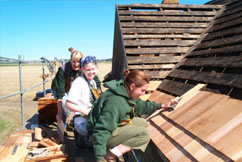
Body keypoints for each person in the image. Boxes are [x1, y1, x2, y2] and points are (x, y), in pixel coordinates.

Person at [87, 70, 177, 162]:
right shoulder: (115, 102)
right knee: (144, 134)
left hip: (111, 127)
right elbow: (101, 130)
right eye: (142, 90)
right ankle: (110, 156)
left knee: (142, 122)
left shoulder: (126, 92)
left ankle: (119, 150)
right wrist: (100, 158)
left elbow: (142, 106)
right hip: (97, 135)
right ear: (132, 86)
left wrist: (162, 105)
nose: (143, 93)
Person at [51, 49, 101, 127]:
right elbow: (60, 91)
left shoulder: (84, 68)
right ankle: (63, 126)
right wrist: (60, 111)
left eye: (78, 61)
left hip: (70, 88)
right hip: (58, 88)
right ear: (70, 60)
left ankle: (74, 120)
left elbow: (96, 81)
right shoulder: (63, 69)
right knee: (65, 104)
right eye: (73, 61)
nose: (76, 64)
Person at [65, 56, 99, 147]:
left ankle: (89, 141)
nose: (91, 72)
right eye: (88, 70)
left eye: (93, 69)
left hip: (91, 117)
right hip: (81, 119)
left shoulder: (92, 82)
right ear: (82, 69)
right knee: (102, 128)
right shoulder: (79, 82)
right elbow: (68, 104)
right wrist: (84, 111)